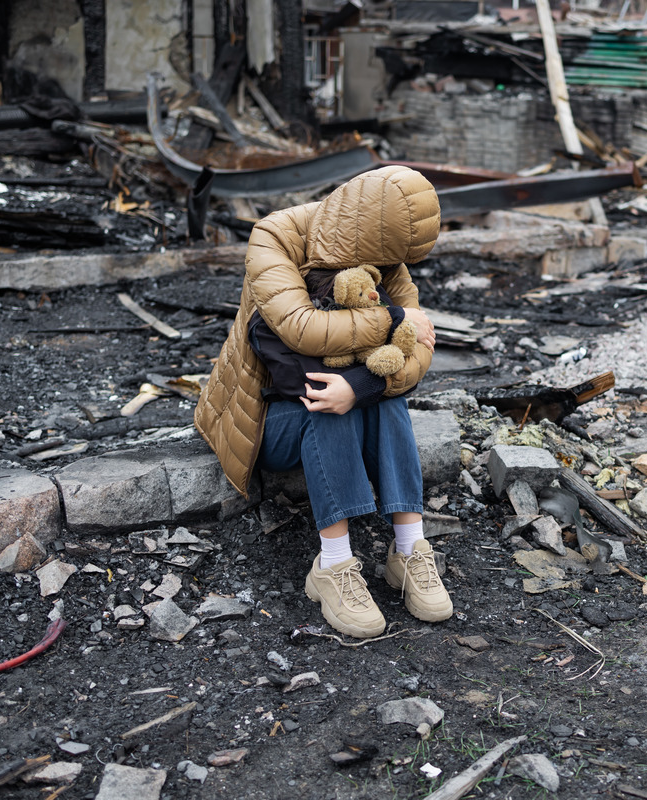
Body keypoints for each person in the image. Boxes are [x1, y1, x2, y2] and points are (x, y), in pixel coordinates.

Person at [194, 165, 453, 639]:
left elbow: (418, 350)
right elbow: (303, 336)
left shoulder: (383, 251)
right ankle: (333, 565)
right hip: (268, 415)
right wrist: (394, 318)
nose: (386, 277)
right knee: (326, 404)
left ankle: (410, 548)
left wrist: (365, 384)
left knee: (385, 399)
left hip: (338, 396)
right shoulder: (276, 241)